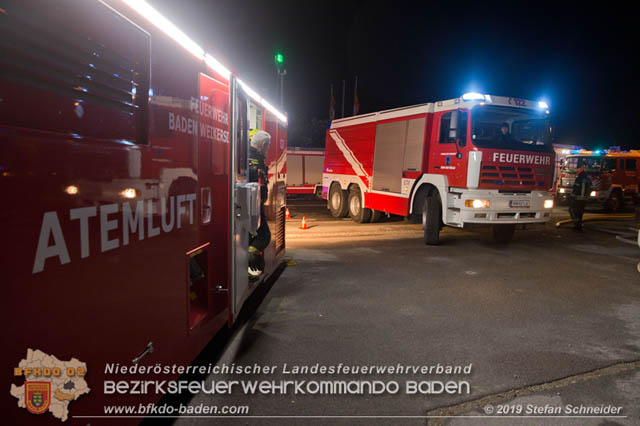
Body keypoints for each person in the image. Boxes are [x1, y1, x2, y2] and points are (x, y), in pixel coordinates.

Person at [248, 130, 272, 281]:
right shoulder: (257, 162)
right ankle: (251, 263)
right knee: (263, 236)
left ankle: (251, 268)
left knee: (252, 237)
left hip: (249, 208)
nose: (268, 149)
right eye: (268, 146)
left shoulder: (246, 157)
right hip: (254, 209)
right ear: (263, 145)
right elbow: (260, 187)